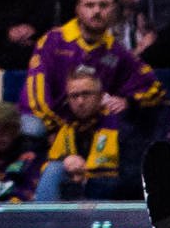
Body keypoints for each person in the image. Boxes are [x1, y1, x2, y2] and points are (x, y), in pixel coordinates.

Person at [24, 0, 165, 133]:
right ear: (78, 9)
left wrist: (128, 102)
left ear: (113, 10)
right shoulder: (53, 41)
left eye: (103, 5)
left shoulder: (116, 52)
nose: (97, 11)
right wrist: (56, 128)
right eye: (90, 5)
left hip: (91, 126)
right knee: (34, 129)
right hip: (49, 123)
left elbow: (154, 88)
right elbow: (36, 95)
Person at [33, 66, 127, 200]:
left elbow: (130, 176)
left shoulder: (119, 125)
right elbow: (48, 167)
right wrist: (65, 161)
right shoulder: (67, 128)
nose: (80, 101)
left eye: (86, 94)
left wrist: (86, 175)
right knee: (54, 168)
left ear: (101, 96)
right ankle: (43, 219)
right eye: (74, 96)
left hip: (109, 196)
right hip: (76, 195)